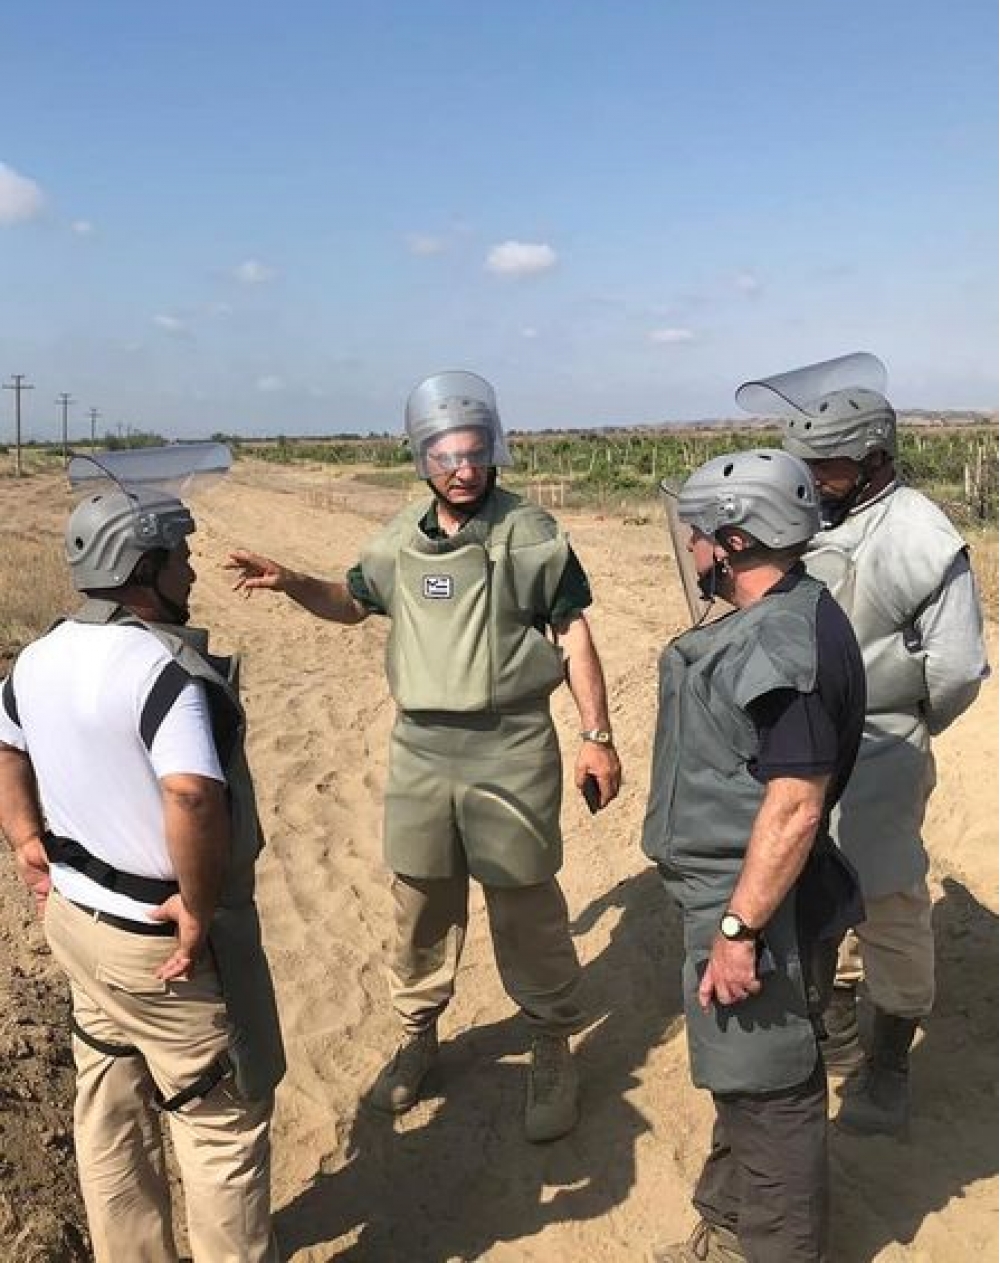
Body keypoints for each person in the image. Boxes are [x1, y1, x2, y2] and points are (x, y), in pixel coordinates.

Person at [227, 369, 621, 1143]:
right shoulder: (399, 539)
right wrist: (294, 583)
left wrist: (597, 735)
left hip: (509, 745)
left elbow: (572, 631)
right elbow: (352, 602)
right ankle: (418, 1034)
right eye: (446, 456)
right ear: (423, 458)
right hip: (421, 749)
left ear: (493, 449)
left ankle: (550, 1041)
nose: (463, 469)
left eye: (474, 452)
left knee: (525, 900)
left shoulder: (531, 533)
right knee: (420, 900)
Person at [0, 483, 285, 1263]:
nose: (191, 569)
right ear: (143, 567)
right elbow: (191, 794)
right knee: (220, 1121)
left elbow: (7, 743)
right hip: (158, 946)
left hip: (75, 921)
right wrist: (196, 907)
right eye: (180, 556)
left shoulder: (39, 656)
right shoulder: (164, 671)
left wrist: (25, 838)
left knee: (111, 1108)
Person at [744, 357, 989, 1136]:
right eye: (806, 463)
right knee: (808, 877)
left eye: (827, 464)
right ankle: (835, 1021)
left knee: (888, 898)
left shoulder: (921, 535)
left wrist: (907, 728)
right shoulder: (815, 517)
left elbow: (956, 668)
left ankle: (890, 1063)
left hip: (880, 739)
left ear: (874, 459)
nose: (811, 477)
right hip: (803, 739)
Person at [642, 448, 866, 1263]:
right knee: (747, 1073)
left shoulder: (781, 644)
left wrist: (739, 929)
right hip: (747, 894)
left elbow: (796, 804)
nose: (691, 545)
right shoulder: (789, 611)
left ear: (734, 541)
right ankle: (731, 1229)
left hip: (761, 906)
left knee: (773, 1096)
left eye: (699, 531)